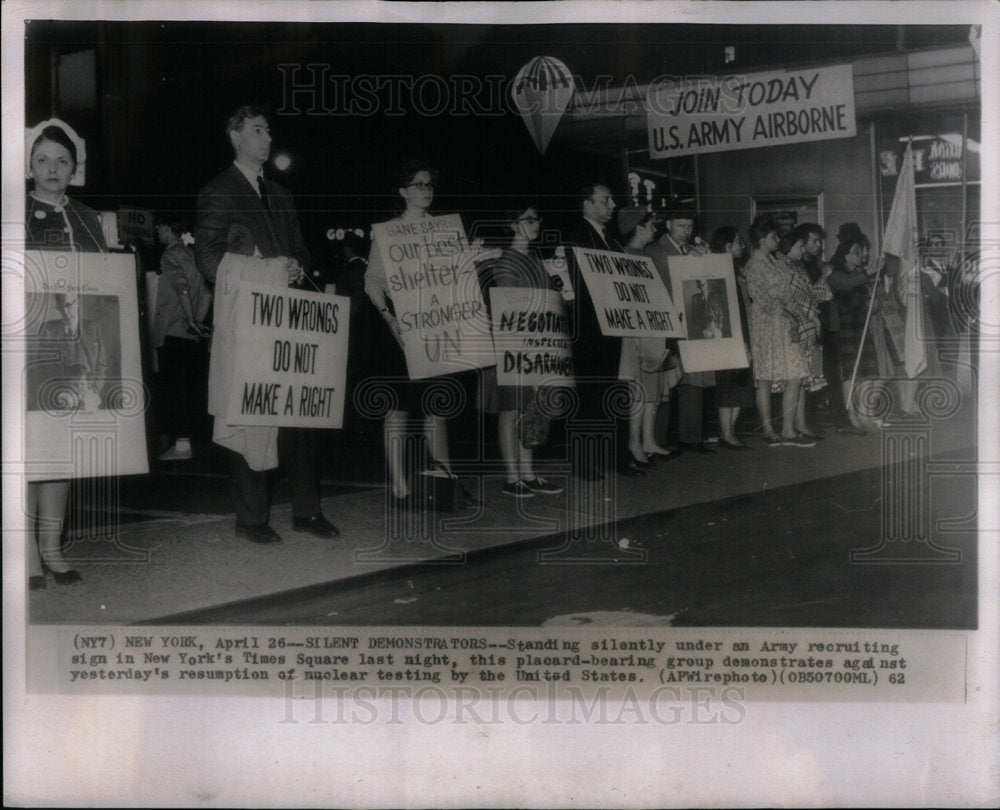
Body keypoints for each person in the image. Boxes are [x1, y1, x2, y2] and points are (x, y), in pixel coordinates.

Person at [195, 105, 339, 544]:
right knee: (250, 412)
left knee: (300, 414)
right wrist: (265, 269)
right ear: (235, 136)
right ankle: (252, 519)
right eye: (258, 130)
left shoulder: (282, 195)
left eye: (270, 131)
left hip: (289, 319)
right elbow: (208, 260)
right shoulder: (218, 191)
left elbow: (302, 251)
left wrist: (295, 267)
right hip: (247, 322)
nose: (267, 138)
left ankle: (307, 511)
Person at [364, 160, 496, 506]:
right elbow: (373, 281)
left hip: (437, 329)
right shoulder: (388, 232)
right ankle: (400, 487)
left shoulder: (446, 230)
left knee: (437, 407)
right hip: (402, 331)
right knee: (399, 409)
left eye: (429, 184)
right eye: (419, 184)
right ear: (403, 191)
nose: (426, 190)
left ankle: (444, 479)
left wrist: (475, 260)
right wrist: (387, 317)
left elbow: (457, 279)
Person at [24, 121, 109, 589]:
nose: (52, 168)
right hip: (28, 346)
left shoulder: (89, 218)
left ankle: (52, 549)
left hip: (78, 344)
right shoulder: (12, 214)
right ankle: (24, 554)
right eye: (43, 160)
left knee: (60, 452)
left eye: (61, 160)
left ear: (74, 168)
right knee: (28, 450)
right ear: (30, 167)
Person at [484, 204, 565, 498]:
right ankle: (511, 476)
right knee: (511, 409)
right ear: (514, 225)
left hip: (537, 343)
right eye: (529, 219)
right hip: (514, 344)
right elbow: (511, 304)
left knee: (533, 408)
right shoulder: (505, 260)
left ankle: (528, 473)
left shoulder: (535, 259)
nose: (536, 223)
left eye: (537, 217)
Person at [564, 183, 634, 479]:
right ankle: (583, 461)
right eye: (605, 200)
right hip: (588, 329)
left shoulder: (611, 239)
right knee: (589, 393)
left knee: (611, 390)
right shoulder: (576, 237)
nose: (612, 205)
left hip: (611, 327)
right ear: (587, 204)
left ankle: (614, 456)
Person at [644, 202, 716, 455]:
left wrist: (705, 261)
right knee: (665, 384)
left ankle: (691, 438)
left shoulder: (693, 251)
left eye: (689, 227)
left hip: (692, 321)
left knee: (694, 380)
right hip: (668, 322)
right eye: (681, 226)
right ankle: (657, 440)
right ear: (668, 225)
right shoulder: (654, 251)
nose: (686, 231)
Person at [743, 214, 815, 447]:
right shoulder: (753, 264)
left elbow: (789, 295)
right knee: (765, 378)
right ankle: (768, 429)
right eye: (774, 236)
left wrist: (794, 319)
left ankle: (788, 429)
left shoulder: (775, 261)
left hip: (785, 325)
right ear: (763, 239)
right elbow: (760, 297)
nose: (777, 240)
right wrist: (787, 314)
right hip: (766, 326)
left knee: (796, 374)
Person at [616, 206, 679, 466]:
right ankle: (634, 442)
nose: (655, 229)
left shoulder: (645, 256)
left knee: (653, 388)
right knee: (639, 390)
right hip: (635, 333)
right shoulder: (625, 256)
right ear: (638, 228)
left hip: (653, 330)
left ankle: (649, 440)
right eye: (651, 225)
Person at [154, 218, 212, 461]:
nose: (157, 232)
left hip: (173, 331)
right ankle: (189, 443)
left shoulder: (170, 256)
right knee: (190, 389)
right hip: (190, 335)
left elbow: (181, 289)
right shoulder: (193, 256)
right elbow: (208, 294)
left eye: (158, 227)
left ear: (167, 227)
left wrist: (189, 320)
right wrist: (197, 321)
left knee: (173, 390)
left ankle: (180, 446)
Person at [775, 223, 831, 440]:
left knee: (804, 377)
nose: (802, 250)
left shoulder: (797, 267)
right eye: (800, 246)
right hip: (795, 327)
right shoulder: (784, 268)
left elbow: (812, 295)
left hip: (807, 326)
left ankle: (800, 424)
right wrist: (812, 315)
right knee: (795, 377)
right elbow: (799, 299)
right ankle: (789, 428)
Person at [709, 226, 753, 451]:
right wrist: (742, 340)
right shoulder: (719, 269)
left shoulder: (735, 269)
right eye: (739, 243)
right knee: (729, 385)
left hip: (737, 333)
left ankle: (729, 431)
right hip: (728, 336)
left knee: (738, 384)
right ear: (728, 246)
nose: (742, 247)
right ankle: (727, 432)